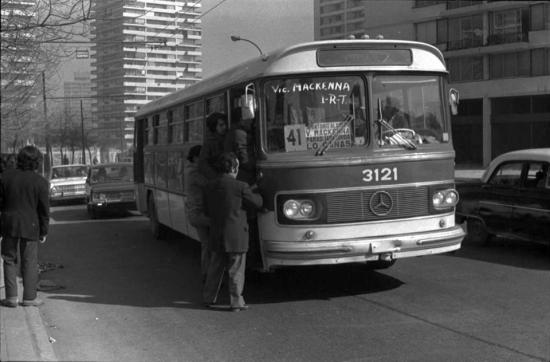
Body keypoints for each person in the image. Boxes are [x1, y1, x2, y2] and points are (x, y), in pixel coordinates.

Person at [202, 152, 263, 312]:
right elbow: (256, 203)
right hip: (236, 236)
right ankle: (236, 302)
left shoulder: (209, 186)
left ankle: (209, 298)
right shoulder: (241, 186)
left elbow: (206, 211)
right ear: (234, 168)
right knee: (235, 270)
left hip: (217, 234)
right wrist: (255, 192)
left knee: (215, 268)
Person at [0, 146, 50, 308]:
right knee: (29, 261)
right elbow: (44, 210)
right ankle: (29, 297)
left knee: (9, 260)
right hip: (31, 225)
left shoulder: (5, 177)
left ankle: (11, 297)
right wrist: (44, 231)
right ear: (36, 162)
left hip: (9, 224)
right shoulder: (41, 182)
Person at [184, 145, 210, 281]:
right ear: (195, 158)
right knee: (208, 245)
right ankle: (207, 274)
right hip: (198, 214)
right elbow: (208, 184)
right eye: (202, 157)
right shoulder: (194, 173)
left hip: (195, 213)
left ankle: (208, 273)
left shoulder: (190, 170)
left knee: (206, 244)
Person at [224, 115, 256, 185]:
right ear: (241, 120)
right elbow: (245, 160)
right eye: (250, 119)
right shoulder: (239, 134)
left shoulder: (235, 132)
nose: (252, 122)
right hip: (243, 176)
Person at [198, 112, 228, 179]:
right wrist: (217, 177)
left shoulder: (227, 137)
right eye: (221, 125)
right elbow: (202, 164)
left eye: (225, 124)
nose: (224, 127)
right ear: (214, 127)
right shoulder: (209, 142)